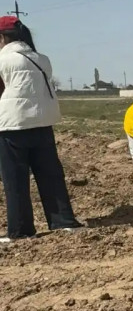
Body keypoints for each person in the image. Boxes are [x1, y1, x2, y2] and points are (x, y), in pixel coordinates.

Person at [0, 16, 83, 243]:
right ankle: (63, 221)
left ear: (2, 38)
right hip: (44, 122)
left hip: (13, 126)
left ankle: (21, 230)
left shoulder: (2, 59)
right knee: (50, 174)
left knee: (15, 179)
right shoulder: (42, 59)